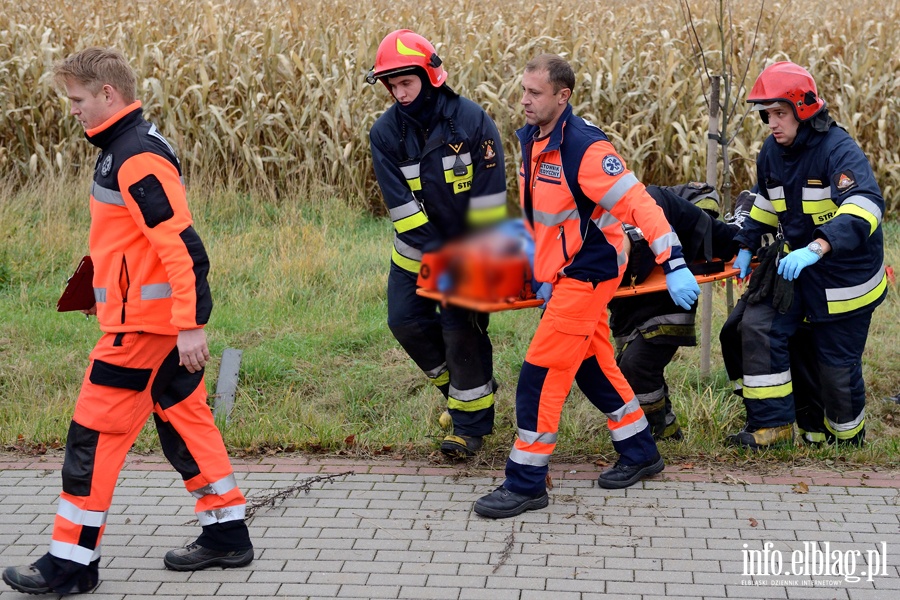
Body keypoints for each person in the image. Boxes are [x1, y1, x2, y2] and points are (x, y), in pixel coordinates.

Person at [3, 47, 253, 595]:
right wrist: (97, 292)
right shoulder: (121, 149)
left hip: (143, 332)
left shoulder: (135, 155)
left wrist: (191, 324)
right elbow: (122, 242)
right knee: (187, 421)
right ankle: (227, 532)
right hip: (148, 322)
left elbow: (183, 247)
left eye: (78, 99)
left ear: (108, 95)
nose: (73, 110)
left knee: (91, 438)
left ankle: (71, 564)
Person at [474, 54, 700, 519]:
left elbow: (640, 205)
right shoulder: (533, 142)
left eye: (535, 93)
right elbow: (543, 218)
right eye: (523, 91)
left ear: (563, 96)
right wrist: (539, 272)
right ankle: (641, 451)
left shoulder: (586, 148)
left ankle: (525, 482)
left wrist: (673, 261)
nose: (524, 100)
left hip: (590, 272)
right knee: (592, 365)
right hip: (562, 274)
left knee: (539, 375)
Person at [725, 61, 887, 449]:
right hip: (798, 268)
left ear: (804, 109)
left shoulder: (838, 150)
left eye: (780, 114)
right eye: (768, 115)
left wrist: (818, 246)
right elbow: (768, 202)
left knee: (835, 370)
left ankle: (846, 442)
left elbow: (866, 205)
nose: (772, 124)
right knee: (753, 327)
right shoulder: (772, 151)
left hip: (845, 279)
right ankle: (772, 428)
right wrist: (748, 244)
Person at [366, 30, 508, 459]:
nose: (399, 92)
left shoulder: (471, 122)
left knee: (459, 329)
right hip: (414, 251)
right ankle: (466, 391)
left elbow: (489, 200)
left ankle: (469, 429)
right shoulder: (385, 133)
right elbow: (402, 209)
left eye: (406, 82)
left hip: (469, 251)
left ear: (430, 76)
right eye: (392, 85)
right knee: (404, 322)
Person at [607, 184, 752, 441]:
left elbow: (669, 228)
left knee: (637, 365)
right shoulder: (594, 236)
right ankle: (666, 430)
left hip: (673, 281)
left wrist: (675, 266)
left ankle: (661, 432)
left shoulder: (651, 213)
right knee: (631, 368)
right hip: (631, 298)